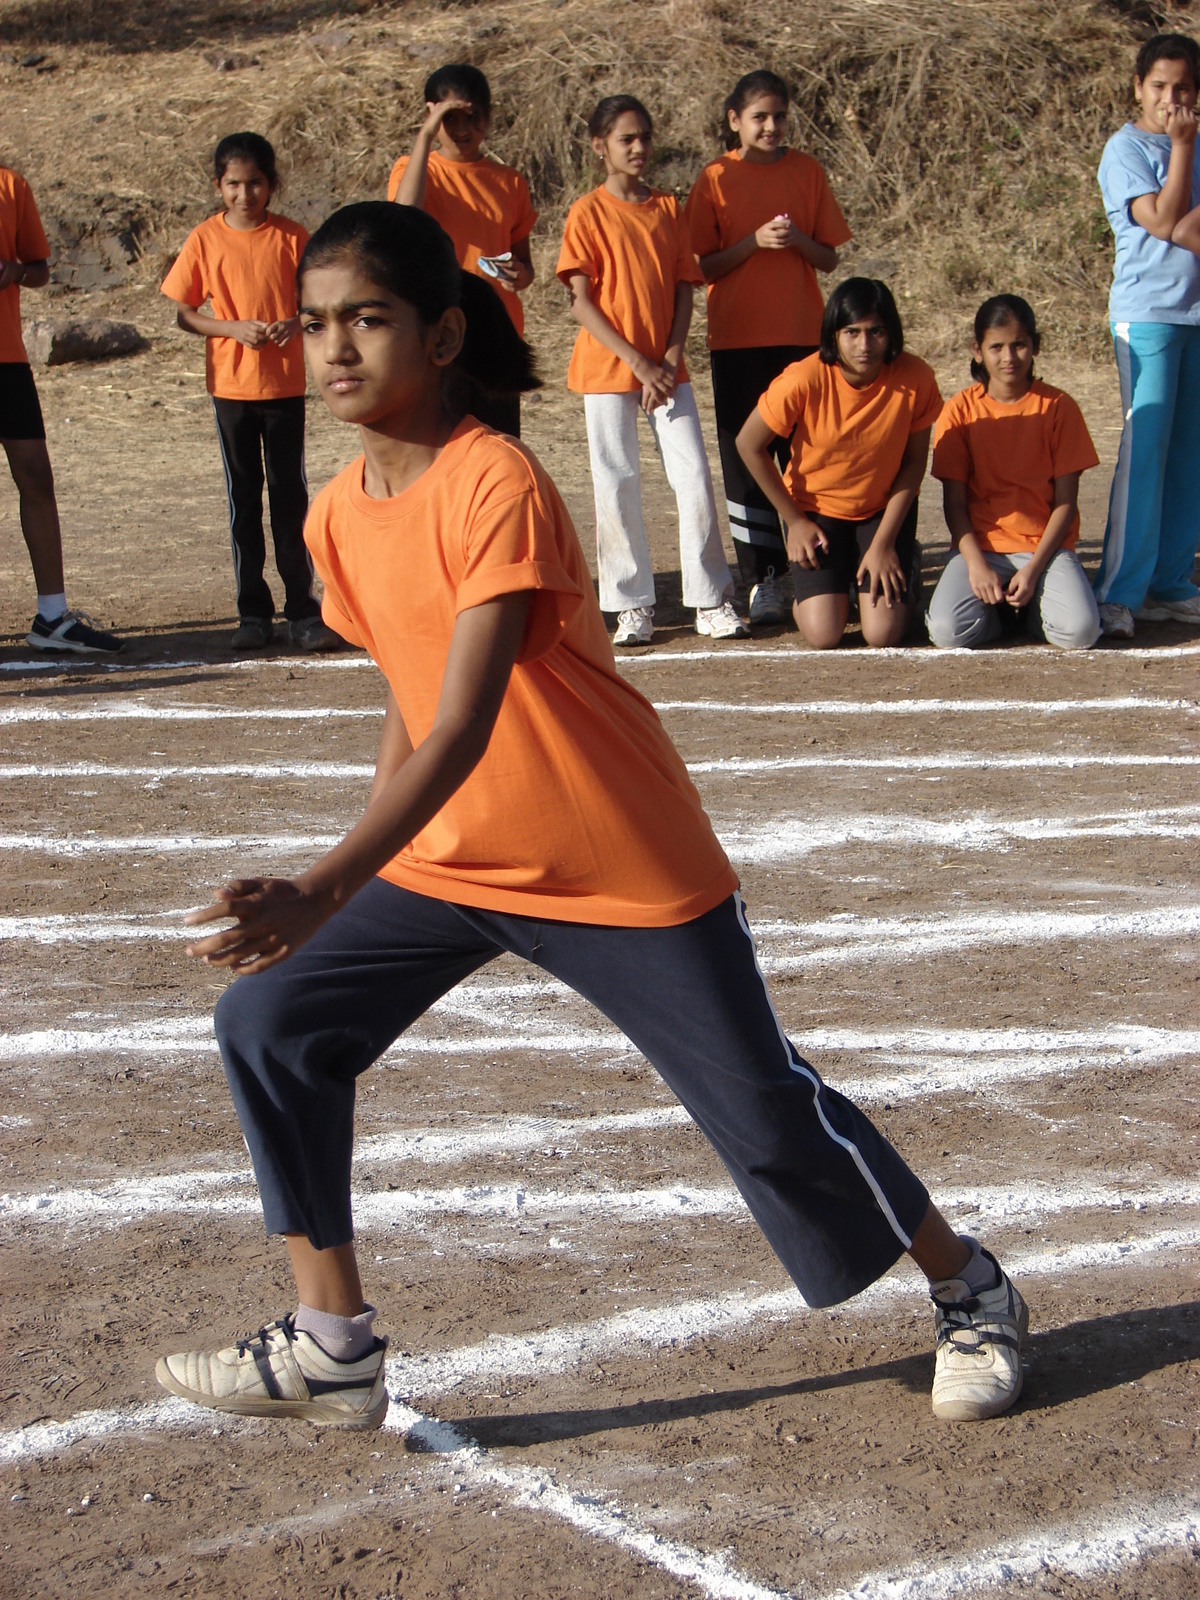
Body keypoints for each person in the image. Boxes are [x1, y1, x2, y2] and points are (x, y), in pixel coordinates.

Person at [154, 202, 1027, 1433]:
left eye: (368, 319)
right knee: (269, 1019)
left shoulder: (493, 481)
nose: (334, 348)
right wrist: (357, 865)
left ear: (441, 336)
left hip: (612, 858)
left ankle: (971, 1284)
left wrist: (325, 885)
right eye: (314, 323)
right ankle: (333, 1340)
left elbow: (467, 719)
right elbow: (411, 696)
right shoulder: (336, 511)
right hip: (453, 856)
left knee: (766, 1113)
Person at [556, 95, 745, 647]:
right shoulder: (587, 212)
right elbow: (581, 302)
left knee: (693, 476)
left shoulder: (667, 207)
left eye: (644, 137)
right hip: (608, 369)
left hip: (666, 372)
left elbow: (685, 288)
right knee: (616, 481)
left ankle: (710, 598)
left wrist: (668, 359)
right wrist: (637, 362)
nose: (638, 148)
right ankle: (630, 605)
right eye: (626, 139)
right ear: (600, 146)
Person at [161, 132, 340, 653]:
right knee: (244, 498)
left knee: (289, 497)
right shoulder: (205, 238)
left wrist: (295, 322)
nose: (245, 194)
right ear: (219, 185)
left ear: (272, 183)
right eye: (234, 184)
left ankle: (302, 610)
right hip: (231, 388)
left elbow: (320, 299)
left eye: (255, 183)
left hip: (283, 387)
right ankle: (252, 612)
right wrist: (231, 329)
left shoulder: (293, 237)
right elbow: (186, 313)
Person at [685, 70, 850, 627]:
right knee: (743, 459)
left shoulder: (806, 171)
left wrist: (797, 240)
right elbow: (700, 266)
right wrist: (752, 243)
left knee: (806, 453)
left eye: (779, 115)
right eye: (759, 117)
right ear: (735, 120)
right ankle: (765, 577)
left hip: (803, 339)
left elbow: (829, 257)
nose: (771, 126)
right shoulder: (715, 178)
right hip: (737, 340)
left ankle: (821, 564)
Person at [736, 277, 939, 649]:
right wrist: (795, 522)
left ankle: (906, 564)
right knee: (823, 634)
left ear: (891, 334)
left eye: (876, 332)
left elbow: (913, 464)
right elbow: (748, 444)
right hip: (816, 514)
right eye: (852, 332)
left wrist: (885, 543)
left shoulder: (917, 378)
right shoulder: (803, 378)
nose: (865, 345)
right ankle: (832, 586)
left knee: (883, 634)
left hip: (881, 511)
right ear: (834, 334)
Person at [1093, 32, 1200, 640]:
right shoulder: (1126, 149)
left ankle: (1170, 583)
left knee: (1188, 456)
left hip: (1196, 316)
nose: (1171, 98)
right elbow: (1164, 222)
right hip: (1148, 315)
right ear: (1138, 87)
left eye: (1183, 88)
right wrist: (1181, 146)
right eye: (1159, 86)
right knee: (1146, 453)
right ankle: (1119, 592)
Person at [927, 295, 1102, 651]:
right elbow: (954, 504)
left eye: (1019, 345)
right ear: (978, 350)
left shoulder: (1059, 407)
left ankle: (1033, 613)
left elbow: (1066, 504)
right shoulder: (959, 411)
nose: (1009, 357)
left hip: (1044, 549)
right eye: (996, 347)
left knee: (1081, 631)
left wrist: (1034, 570)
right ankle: (999, 617)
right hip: (981, 548)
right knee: (947, 631)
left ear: (1036, 346)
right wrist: (976, 565)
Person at [1, 163, 120, 654]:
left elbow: (39, 269)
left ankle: (52, 617)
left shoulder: (11, 185)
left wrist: (15, 272)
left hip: (7, 360)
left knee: (36, 477)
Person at [388, 62, 537, 437]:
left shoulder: (510, 181)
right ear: (431, 115)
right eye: (450, 118)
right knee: (444, 445)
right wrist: (425, 136)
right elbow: (402, 218)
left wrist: (520, 274)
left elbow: (524, 261)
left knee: (500, 446)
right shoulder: (415, 170)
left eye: (474, 117)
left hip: (497, 334)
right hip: (441, 332)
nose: (463, 130)